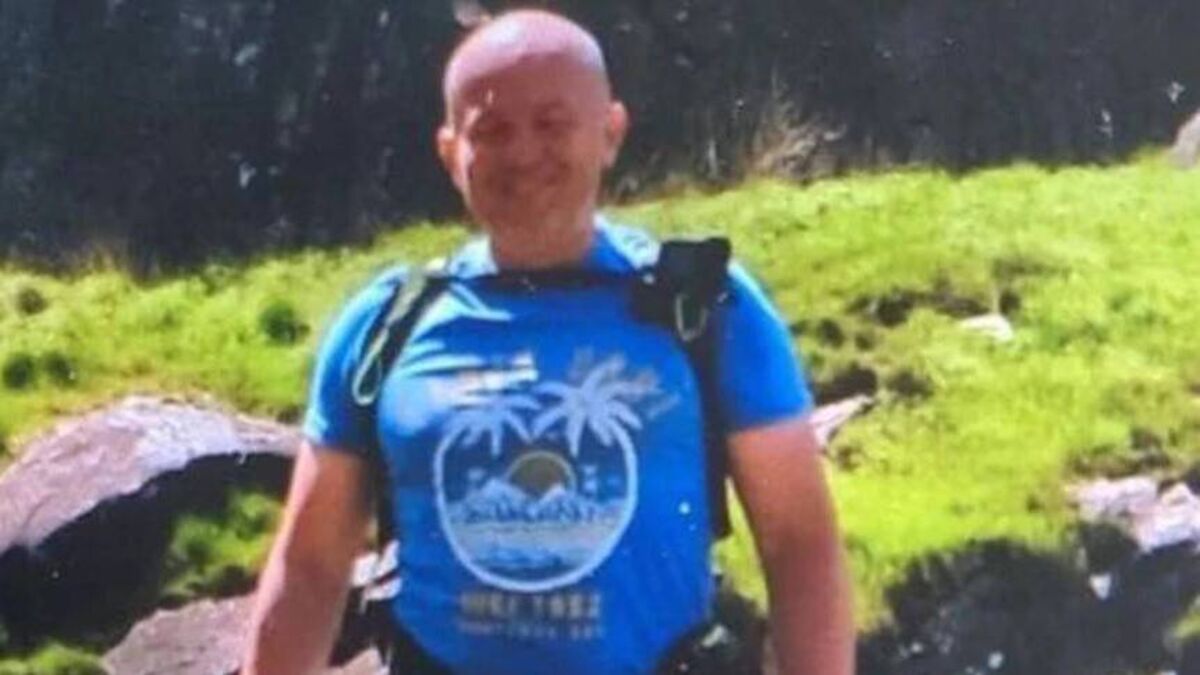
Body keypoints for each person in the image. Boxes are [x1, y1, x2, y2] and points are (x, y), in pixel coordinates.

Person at [241, 9, 853, 675]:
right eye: (492, 131)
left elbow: (799, 545)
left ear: (610, 133)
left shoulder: (706, 307)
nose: (523, 154)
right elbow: (310, 566)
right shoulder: (386, 326)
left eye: (552, 124)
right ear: (450, 153)